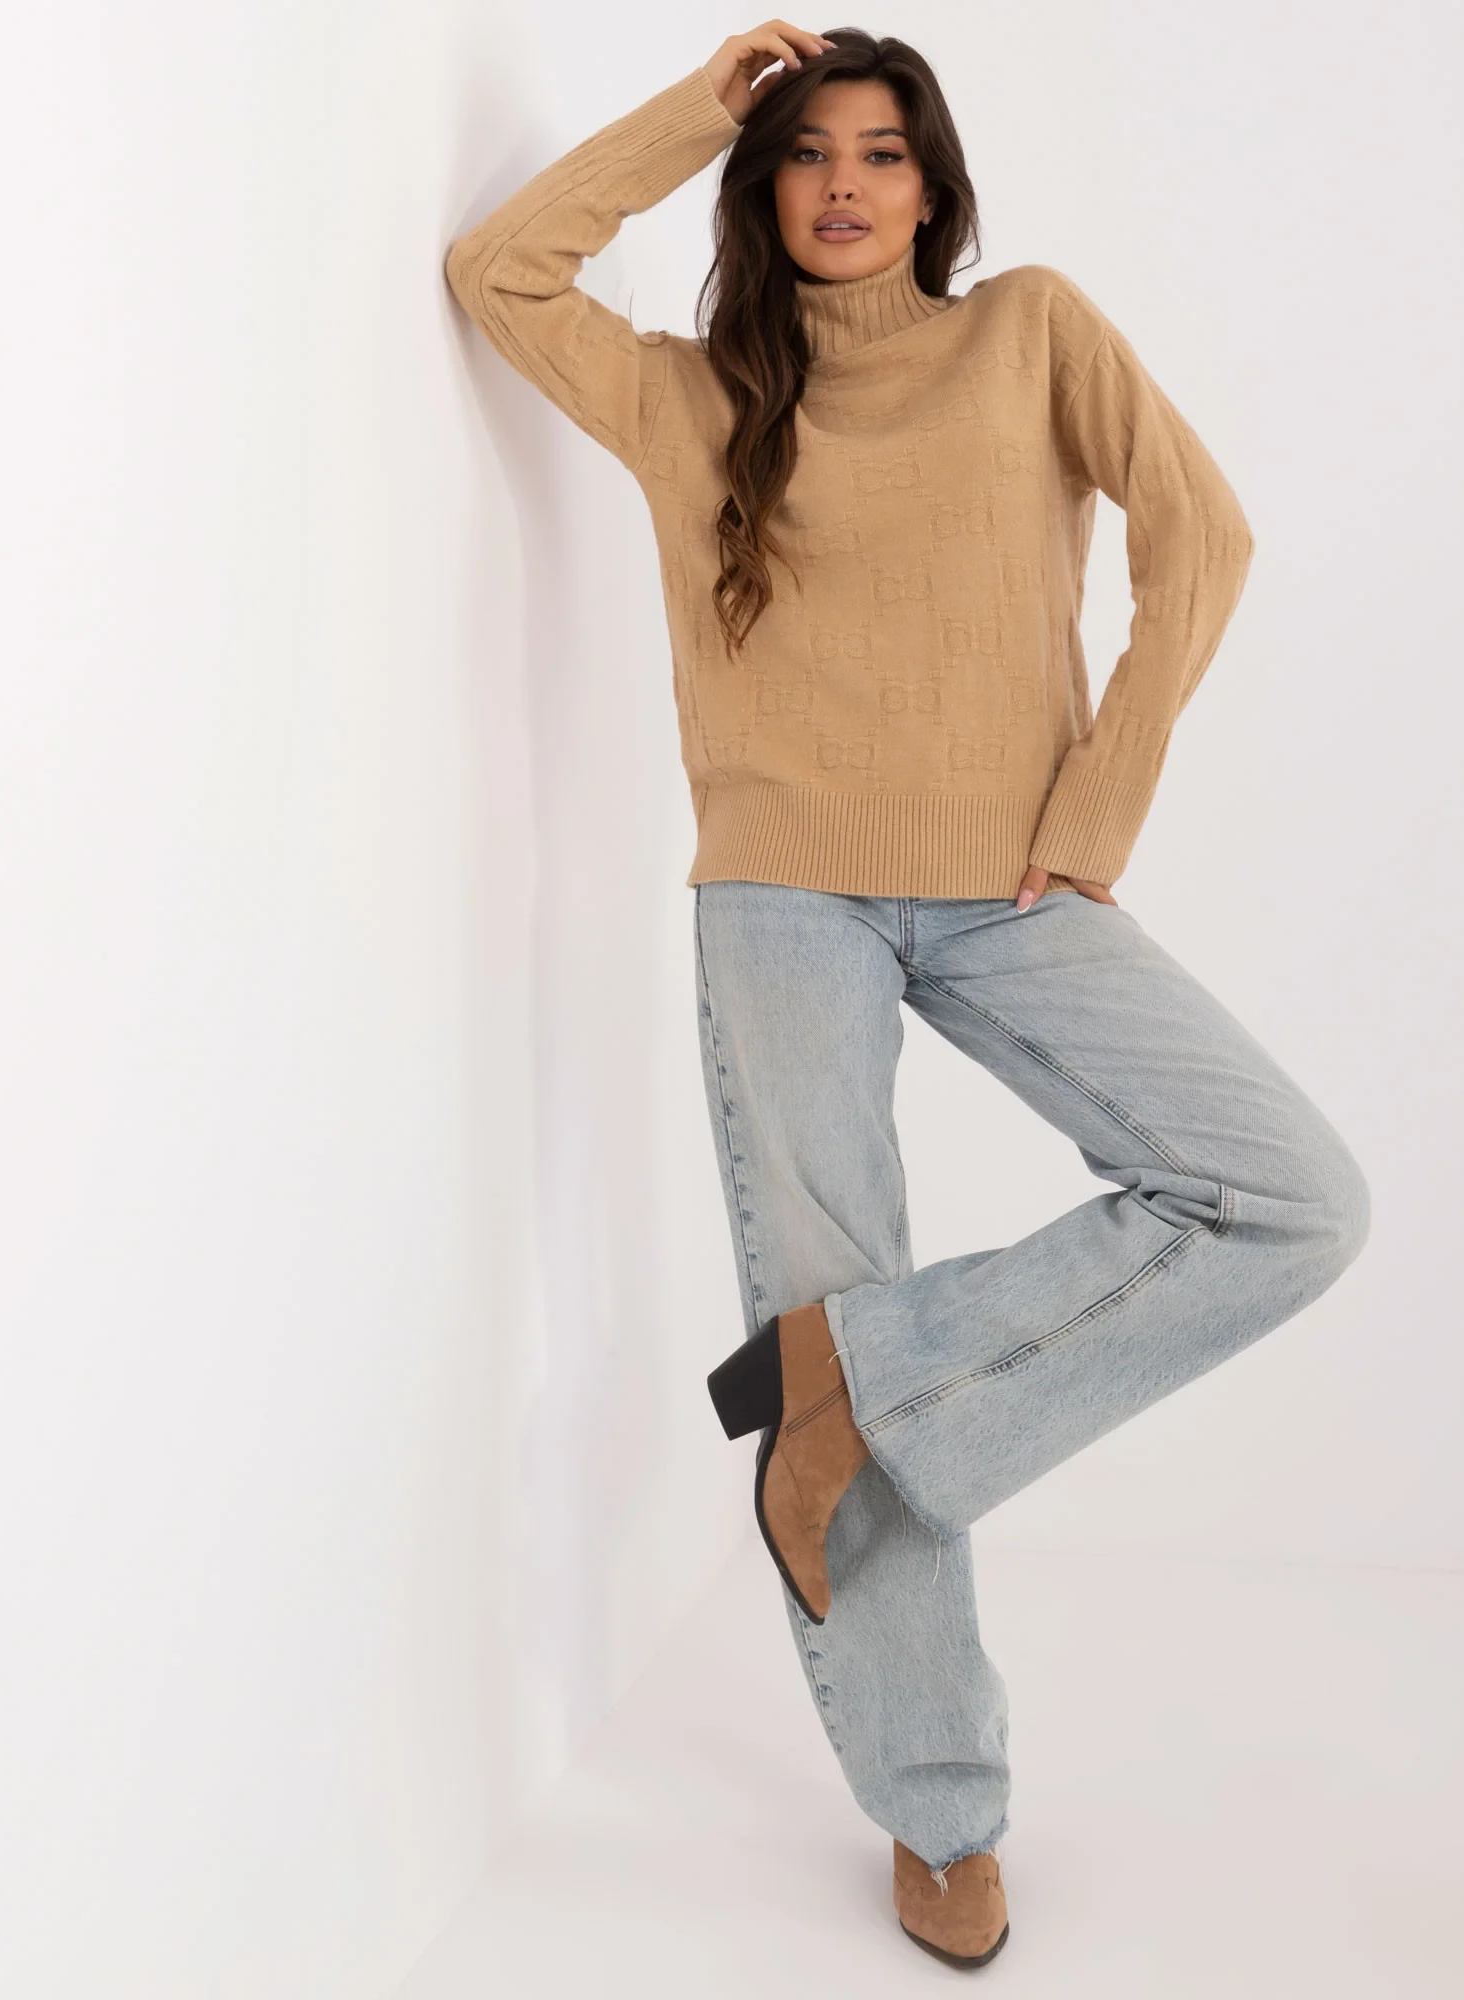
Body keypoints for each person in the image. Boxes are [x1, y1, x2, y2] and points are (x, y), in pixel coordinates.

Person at [445, 20, 1371, 1970]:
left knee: (1291, 1195)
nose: (847, 183)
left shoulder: (1031, 330)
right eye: (806, 152)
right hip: (781, 897)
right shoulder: (694, 399)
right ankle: (940, 1807)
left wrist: (1100, 797)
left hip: (1015, 883)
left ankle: (851, 1387)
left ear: (936, 186)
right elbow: (501, 272)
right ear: (765, 186)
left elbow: (1200, 532)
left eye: (882, 151)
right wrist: (698, 103)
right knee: (832, 1277)